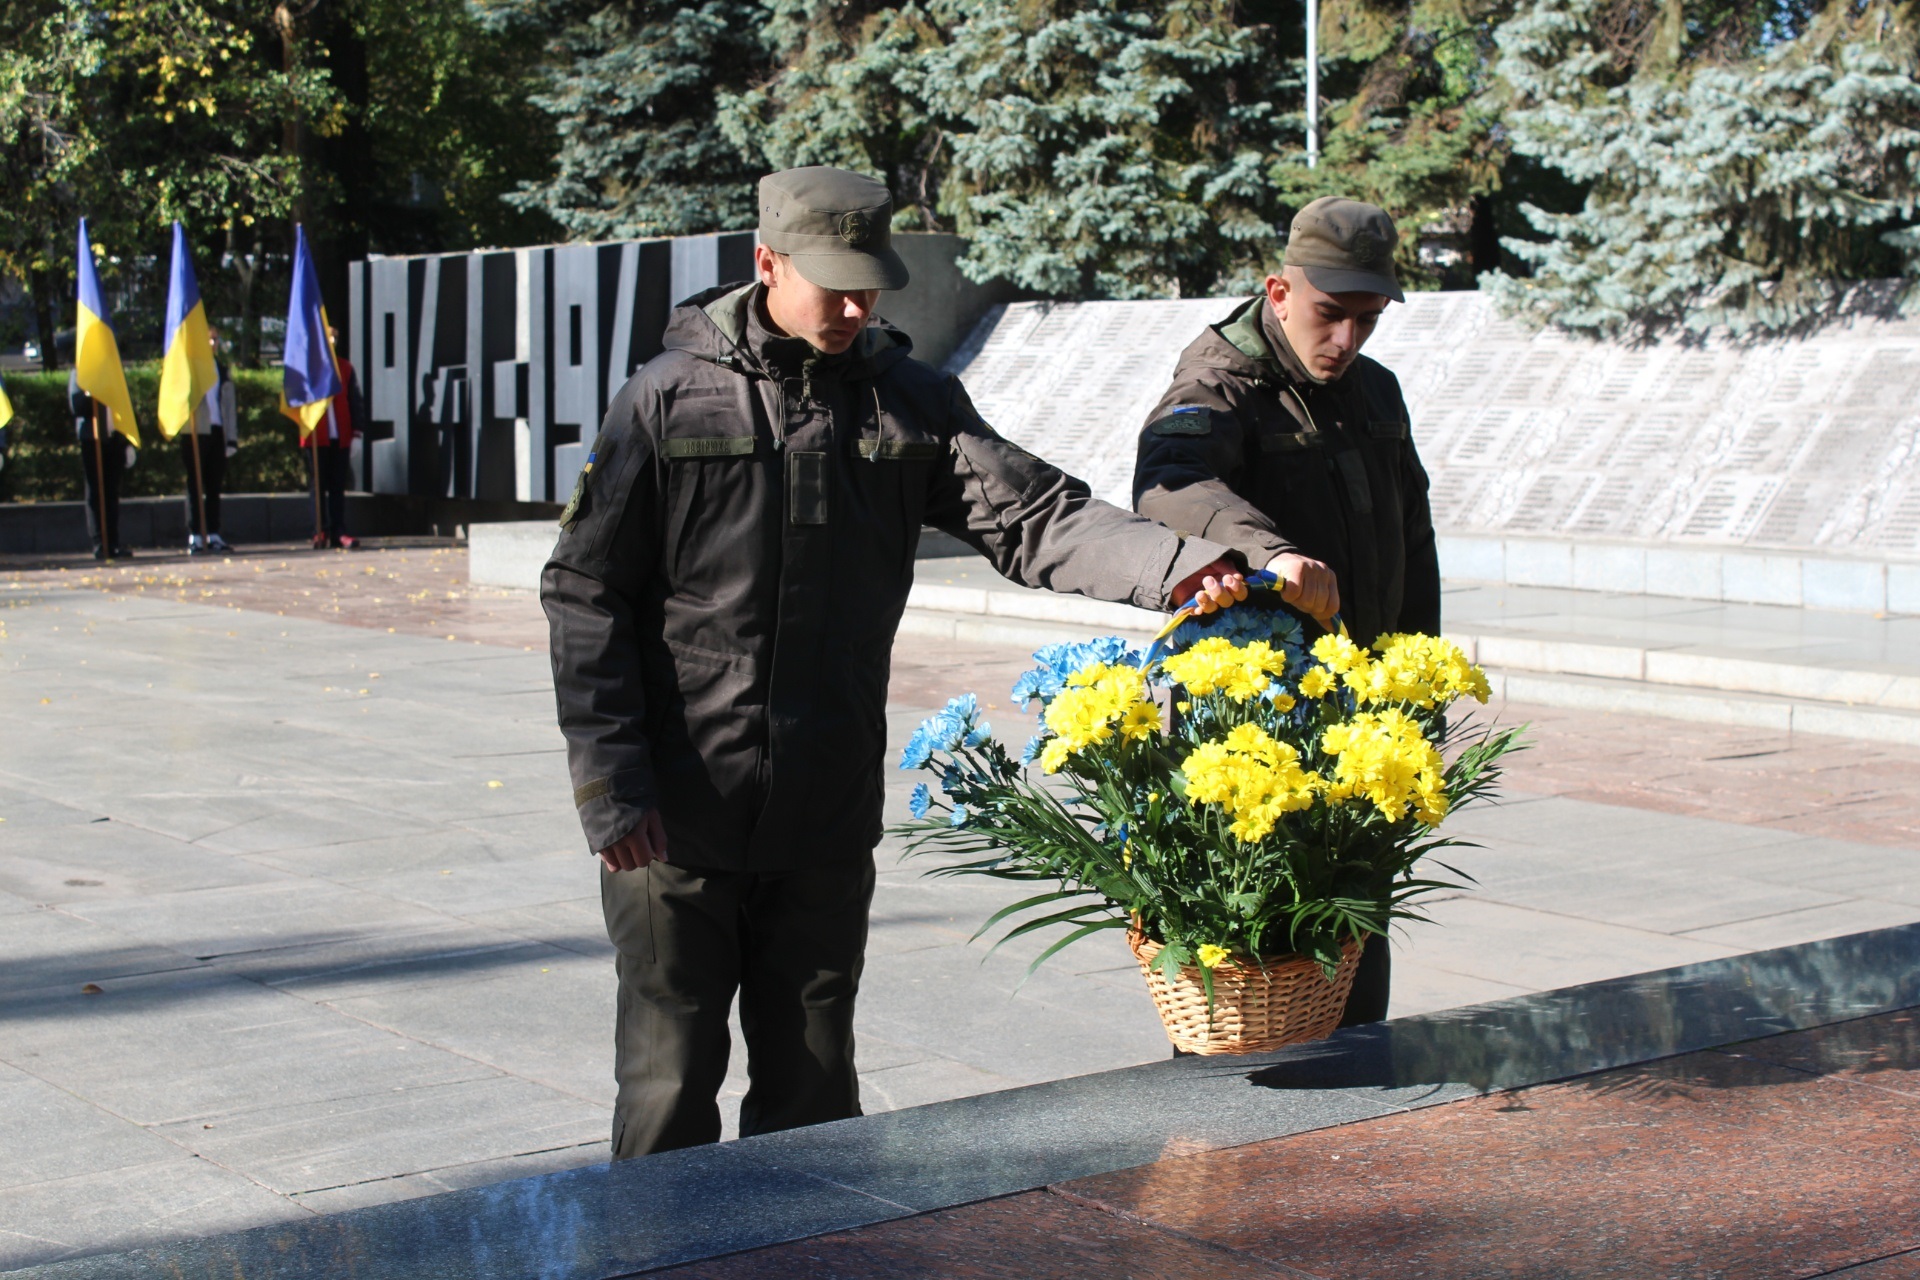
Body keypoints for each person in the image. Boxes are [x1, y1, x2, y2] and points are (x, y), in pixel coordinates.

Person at [543, 166, 1248, 1160]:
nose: (851, 304)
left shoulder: (908, 399)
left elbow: (1034, 513)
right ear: (766, 263)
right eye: (829, 280)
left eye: (867, 281)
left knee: (816, 1093)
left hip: (823, 815)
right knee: (669, 1084)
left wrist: (1180, 566)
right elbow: (584, 589)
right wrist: (611, 785)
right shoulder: (666, 402)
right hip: (677, 821)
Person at [1131, 196, 1440, 1028]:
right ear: (1277, 290)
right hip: (1256, 736)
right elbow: (1173, 485)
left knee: (1352, 966)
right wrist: (1267, 553)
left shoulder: (1375, 391)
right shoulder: (1218, 382)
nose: (1346, 342)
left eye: (1367, 321)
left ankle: (1354, 1150)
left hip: (1360, 725)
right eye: (1330, 316)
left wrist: (1418, 690)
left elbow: (1412, 542)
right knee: (1252, 983)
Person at [306, 326, 363, 550]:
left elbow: (354, 400)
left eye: (334, 337)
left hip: (339, 435)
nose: (331, 340)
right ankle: (320, 530)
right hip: (315, 435)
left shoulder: (345, 367)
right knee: (317, 485)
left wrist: (357, 432)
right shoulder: (309, 367)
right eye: (328, 336)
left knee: (338, 485)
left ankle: (339, 530)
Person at [183, 330, 239, 554]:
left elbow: (229, 405)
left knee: (214, 485)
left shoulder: (221, 370)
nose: (212, 343)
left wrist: (231, 438)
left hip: (217, 430)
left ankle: (214, 532)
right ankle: (195, 534)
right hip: (195, 431)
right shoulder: (191, 368)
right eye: (207, 339)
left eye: (215, 339)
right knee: (195, 484)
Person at [70, 370, 132, 560]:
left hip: (114, 439)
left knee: (112, 492)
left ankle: (113, 542)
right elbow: (76, 406)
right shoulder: (80, 373)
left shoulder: (113, 370)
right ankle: (99, 542)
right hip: (92, 440)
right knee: (95, 493)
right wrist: (91, 393)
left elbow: (125, 407)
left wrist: (128, 443)